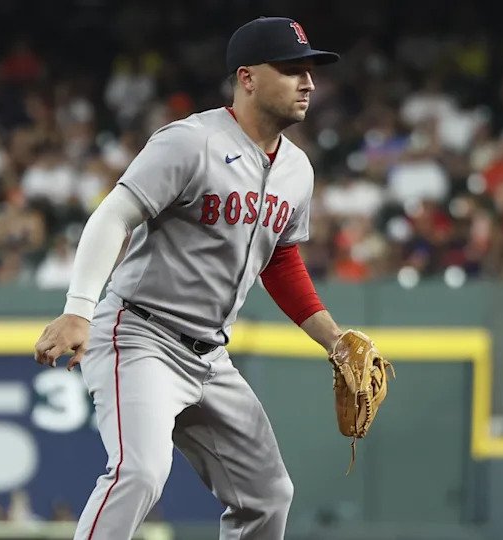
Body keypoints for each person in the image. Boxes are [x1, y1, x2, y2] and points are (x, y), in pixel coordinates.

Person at [33, 17, 343, 540]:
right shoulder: (190, 141)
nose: (308, 82)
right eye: (291, 69)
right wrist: (79, 308)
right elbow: (113, 216)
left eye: (310, 70)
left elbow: (281, 260)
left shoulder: (297, 170)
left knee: (268, 496)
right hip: (140, 335)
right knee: (140, 472)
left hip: (210, 357)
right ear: (246, 78)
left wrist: (333, 339)